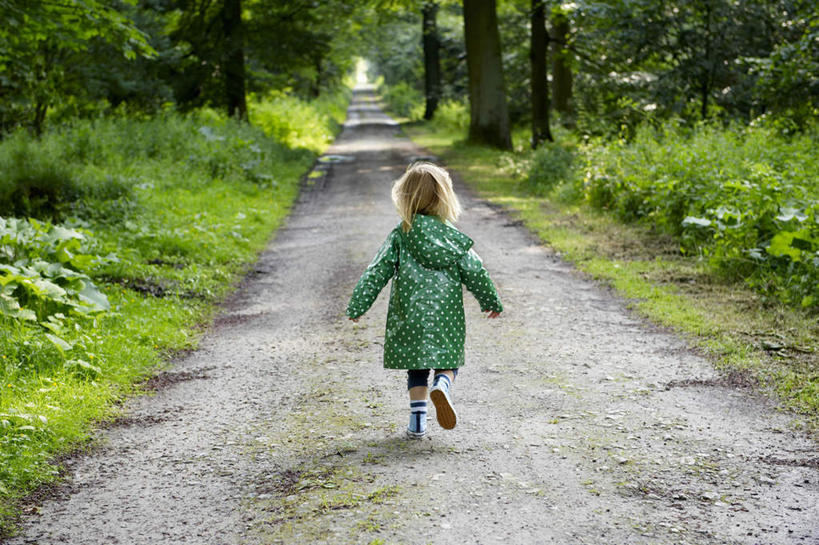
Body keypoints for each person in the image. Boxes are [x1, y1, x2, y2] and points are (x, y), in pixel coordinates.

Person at [346, 162, 503, 439]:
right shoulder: (452, 238)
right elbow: (475, 270)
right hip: (447, 316)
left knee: (416, 368)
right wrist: (490, 300)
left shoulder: (401, 235)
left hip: (410, 315)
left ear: (405, 198)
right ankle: (443, 383)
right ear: (445, 198)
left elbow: (377, 269)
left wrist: (359, 304)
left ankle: (417, 422)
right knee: (448, 360)